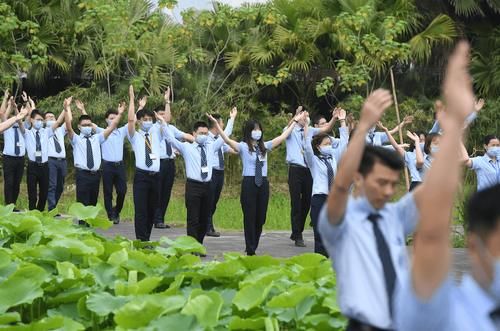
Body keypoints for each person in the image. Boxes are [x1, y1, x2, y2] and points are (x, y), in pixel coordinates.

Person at [317, 83, 456, 329]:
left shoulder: (394, 216)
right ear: (358, 177)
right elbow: (339, 186)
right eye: (381, 182)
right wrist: (362, 126)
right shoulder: (341, 221)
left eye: (393, 184)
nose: (389, 191)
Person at [394, 41, 500, 331]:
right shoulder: (453, 315)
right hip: (423, 190)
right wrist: (454, 122)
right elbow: (431, 237)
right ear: (474, 248)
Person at [208, 111, 307, 256]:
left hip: (263, 184)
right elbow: (227, 140)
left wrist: (294, 122)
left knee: (261, 218)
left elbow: (283, 137)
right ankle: (250, 248)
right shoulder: (242, 146)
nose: (257, 132)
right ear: (249, 132)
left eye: (259, 129)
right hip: (249, 183)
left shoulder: (264, 147)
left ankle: (253, 243)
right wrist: (218, 124)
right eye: (254, 129)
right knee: (249, 216)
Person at [163, 114, 225, 247]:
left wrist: (228, 120)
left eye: (205, 133)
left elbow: (226, 135)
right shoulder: (187, 147)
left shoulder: (211, 147)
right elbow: (171, 139)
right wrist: (163, 123)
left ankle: (199, 244)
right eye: (200, 133)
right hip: (193, 186)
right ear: (194, 133)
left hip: (208, 186)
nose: (203, 135)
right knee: (193, 219)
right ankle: (192, 246)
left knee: (204, 218)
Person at [285, 106, 340, 248]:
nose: (305, 118)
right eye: (303, 116)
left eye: (307, 116)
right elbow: (284, 133)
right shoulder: (291, 130)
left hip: (310, 169)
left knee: (307, 202)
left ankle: (298, 229)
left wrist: (334, 118)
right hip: (295, 169)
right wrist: (294, 119)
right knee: (296, 202)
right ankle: (297, 234)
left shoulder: (311, 131)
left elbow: (325, 129)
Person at [65, 97, 123, 222]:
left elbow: (112, 126)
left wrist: (121, 113)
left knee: (92, 203)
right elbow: (69, 127)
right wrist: (66, 109)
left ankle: (89, 227)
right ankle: (82, 226)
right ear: (79, 127)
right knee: (82, 204)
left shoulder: (98, 138)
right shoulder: (76, 139)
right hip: (82, 174)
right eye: (84, 125)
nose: (87, 127)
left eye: (89, 125)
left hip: (95, 175)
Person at [127, 86, 167, 241]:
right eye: (145, 120)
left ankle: (147, 238)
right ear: (140, 121)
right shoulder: (135, 135)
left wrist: (166, 102)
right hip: (142, 176)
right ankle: (141, 240)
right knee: (141, 210)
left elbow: (166, 120)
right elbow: (131, 120)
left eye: (150, 119)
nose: (148, 122)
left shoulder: (156, 133)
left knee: (152, 210)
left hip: (156, 176)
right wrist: (132, 99)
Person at [153, 88, 193, 229]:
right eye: (161, 114)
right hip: (159, 163)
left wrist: (201, 141)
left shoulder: (171, 128)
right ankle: (156, 219)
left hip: (170, 163)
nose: (164, 116)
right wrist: (167, 101)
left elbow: (186, 136)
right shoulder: (155, 128)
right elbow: (167, 119)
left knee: (166, 192)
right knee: (157, 191)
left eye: (165, 113)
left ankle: (160, 219)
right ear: (156, 116)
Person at [303, 124, 338, 257]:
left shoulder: (333, 158)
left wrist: (341, 123)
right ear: (318, 147)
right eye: (326, 143)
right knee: (319, 232)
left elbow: (344, 144)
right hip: (320, 198)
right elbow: (307, 149)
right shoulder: (314, 161)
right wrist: (307, 133)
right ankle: (320, 260)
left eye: (330, 143)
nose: (329, 146)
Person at [23, 108, 65, 211]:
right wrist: (19, 114)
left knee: (44, 194)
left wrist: (64, 108)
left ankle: (40, 213)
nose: (40, 122)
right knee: (32, 195)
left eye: (42, 120)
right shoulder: (27, 133)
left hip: (44, 166)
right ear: (32, 120)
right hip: (33, 166)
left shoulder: (46, 132)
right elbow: (20, 125)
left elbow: (58, 121)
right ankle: (32, 215)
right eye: (38, 120)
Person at [206, 107, 237, 237]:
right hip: (211, 172)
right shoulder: (207, 138)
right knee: (209, 200)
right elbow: (227, 134)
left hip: (220, 172)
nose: (223, 125)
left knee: (214, 201)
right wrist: (232, 118)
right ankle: (207, 227)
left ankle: (209, 224)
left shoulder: (219, 140)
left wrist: (245, 148)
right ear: (216, 124)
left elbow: (229, 148)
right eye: (222, 122)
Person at [100, 107, 129, 224]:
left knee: (122, 191)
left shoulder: (121, 131)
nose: (113, 120)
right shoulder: (101, 131)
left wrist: (141, 107)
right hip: (107, 166)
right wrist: (82, 111)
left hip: (119, 166)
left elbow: (133, 120)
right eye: (111, 118)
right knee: (107, 192)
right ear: (106, 120)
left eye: (115, 118)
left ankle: (116, 211)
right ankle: (110, 214)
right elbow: (89, 123)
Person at [0, 92, 28, 209]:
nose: (14, 119)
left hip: (20, 159)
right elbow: (1, 113)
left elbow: (27, 113)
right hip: (9, 159)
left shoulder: (23, 128)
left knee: (17, 183)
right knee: (9, 182)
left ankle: (14, 205)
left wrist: (24, 103)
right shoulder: (7, 128)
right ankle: (9, 206)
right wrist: (6, 99)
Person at [379, 123, 425, 191]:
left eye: (424, 140)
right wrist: (386, 131)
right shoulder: (409, 155)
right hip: (417, 185)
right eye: (421, 140)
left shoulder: (429, 154)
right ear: (415, 142)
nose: (423, 143)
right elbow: (396, 146)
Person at [45, 110, 68, 212]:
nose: (51, 118)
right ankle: (52, 208)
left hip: (62, 161)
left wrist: (67, 109)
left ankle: (54, 206)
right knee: (52, 185)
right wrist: (64, 109)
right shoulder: (44, 131)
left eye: (52, 116)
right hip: (51, 160)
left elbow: (68, 121)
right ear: (44, 120)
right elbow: (59, 120)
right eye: (48, 117)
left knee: (60, 186)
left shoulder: (60, 130)